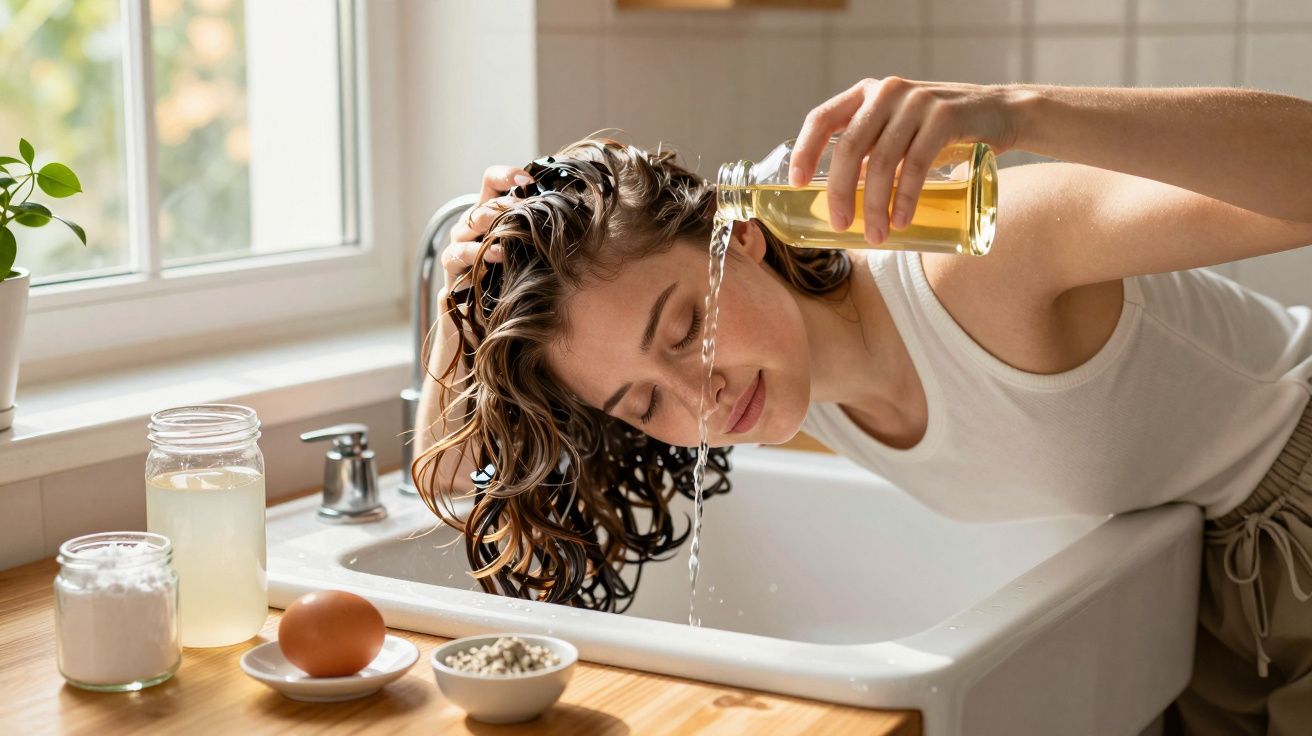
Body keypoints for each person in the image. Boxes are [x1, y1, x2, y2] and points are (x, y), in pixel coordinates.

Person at [411, 78, 1312, 734]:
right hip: (1191, 561)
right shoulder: (777, 370)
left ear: (744, 242)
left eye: (687, 325)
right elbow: (454, 484)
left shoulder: (968, 263)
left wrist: (1021, 111)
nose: (703, 398)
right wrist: (459, 311)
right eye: (641, 400)